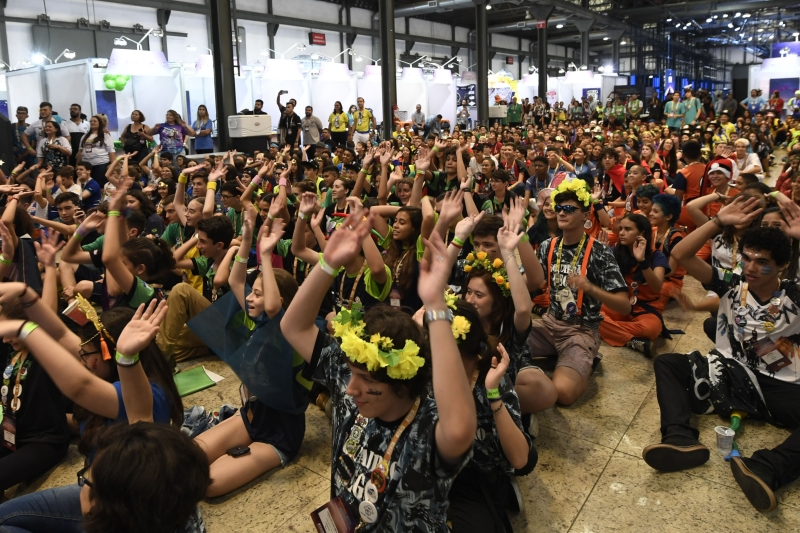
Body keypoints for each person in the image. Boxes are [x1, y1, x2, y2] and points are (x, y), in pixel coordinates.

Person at [281, 200, 476, 531]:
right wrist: (328, 264)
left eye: (368, 380)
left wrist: (435, 305)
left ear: (402, 381)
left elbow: (459, 428)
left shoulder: (426, 425)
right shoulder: (350, 381)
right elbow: (293, 327)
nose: (350, 388)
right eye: (353, 374)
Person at [642, 197, 800, 513]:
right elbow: (680, 254)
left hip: (779, 385)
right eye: (748, 258)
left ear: (781, 265)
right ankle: (680, 438)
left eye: (763, 261)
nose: (752, 267)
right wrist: (717, 223)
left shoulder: (794, 294)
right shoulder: (732, 283)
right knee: (668, 363)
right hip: (732, 371)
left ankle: (766, 468)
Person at [515, 179, 630, 410]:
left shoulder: (600, 252)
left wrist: (591, 289)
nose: (561, 213)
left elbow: (624, 306)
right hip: (548, 324)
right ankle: (557, 361)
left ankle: (586, 362)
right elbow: (534, 283)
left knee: (563, 394)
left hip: (581, 331)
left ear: (586, 214)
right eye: (559, 208)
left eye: (569, 209)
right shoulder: (548, 246)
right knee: (500, 345)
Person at [598, 213, 670, 357]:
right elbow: (601, 281)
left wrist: (642, 261)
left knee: (651, 329)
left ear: (642, 233)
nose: (622, 233)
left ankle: (611, 331)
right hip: (621, 306)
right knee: (593, 314)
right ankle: (633, 341)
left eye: (628, 229)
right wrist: (602, 257)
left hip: (646, 310)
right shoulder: (615, 251)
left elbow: (657, 287)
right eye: (621, 229)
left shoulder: (657, 256)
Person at [76, 115, 116, 188]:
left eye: (95, 121)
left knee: (100, 184)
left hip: (101, 164)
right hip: (87, 165)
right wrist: (78, 165)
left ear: (99, 123)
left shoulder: (105, 135)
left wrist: (113, 165)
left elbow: (111, 151)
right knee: (86, 184)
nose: (92, 122)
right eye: (91, 121)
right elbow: (80, 151)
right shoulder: (84, 136)